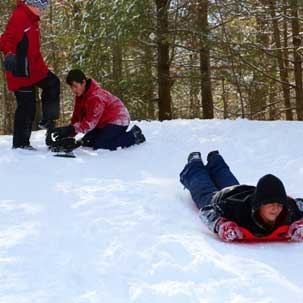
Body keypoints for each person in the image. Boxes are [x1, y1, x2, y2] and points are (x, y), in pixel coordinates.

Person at [179, 151, 303, 242]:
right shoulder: (236, 209)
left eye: (279, 204)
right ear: (259, 204)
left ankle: (215, 158)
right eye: (270, 204)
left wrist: (299, 225)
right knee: (202, 186)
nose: (276, 209)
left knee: (228, 180)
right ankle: (194, 162)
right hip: (223, 197)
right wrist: (221, 224)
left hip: (245, 191)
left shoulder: (290, 210)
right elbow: (206, 211)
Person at [0, 0, 60, 149]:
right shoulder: (19, 16)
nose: (42, 10)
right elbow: (6, 39)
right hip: (20, 70)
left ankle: (47, 119)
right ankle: (21, 144)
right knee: (27, 107)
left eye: (44, 7)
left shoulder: (32, 19)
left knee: (53, 83)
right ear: (31, 4)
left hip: (35, 69)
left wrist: (42, 68)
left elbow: (32, 49)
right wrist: (9, 54)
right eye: (41, 7)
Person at [50, 69, 145, 152]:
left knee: (101, 145)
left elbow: (89, 123)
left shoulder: (96, 97)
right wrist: (69, 135)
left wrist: (71, 129)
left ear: (83, 82)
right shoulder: (80, 96)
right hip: (102, 122)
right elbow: (77, 117)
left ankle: (134, 135)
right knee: (87, 142)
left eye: (75, 86)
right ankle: (111, 135)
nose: (73, 90)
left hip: (118, 119)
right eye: (71, 87)